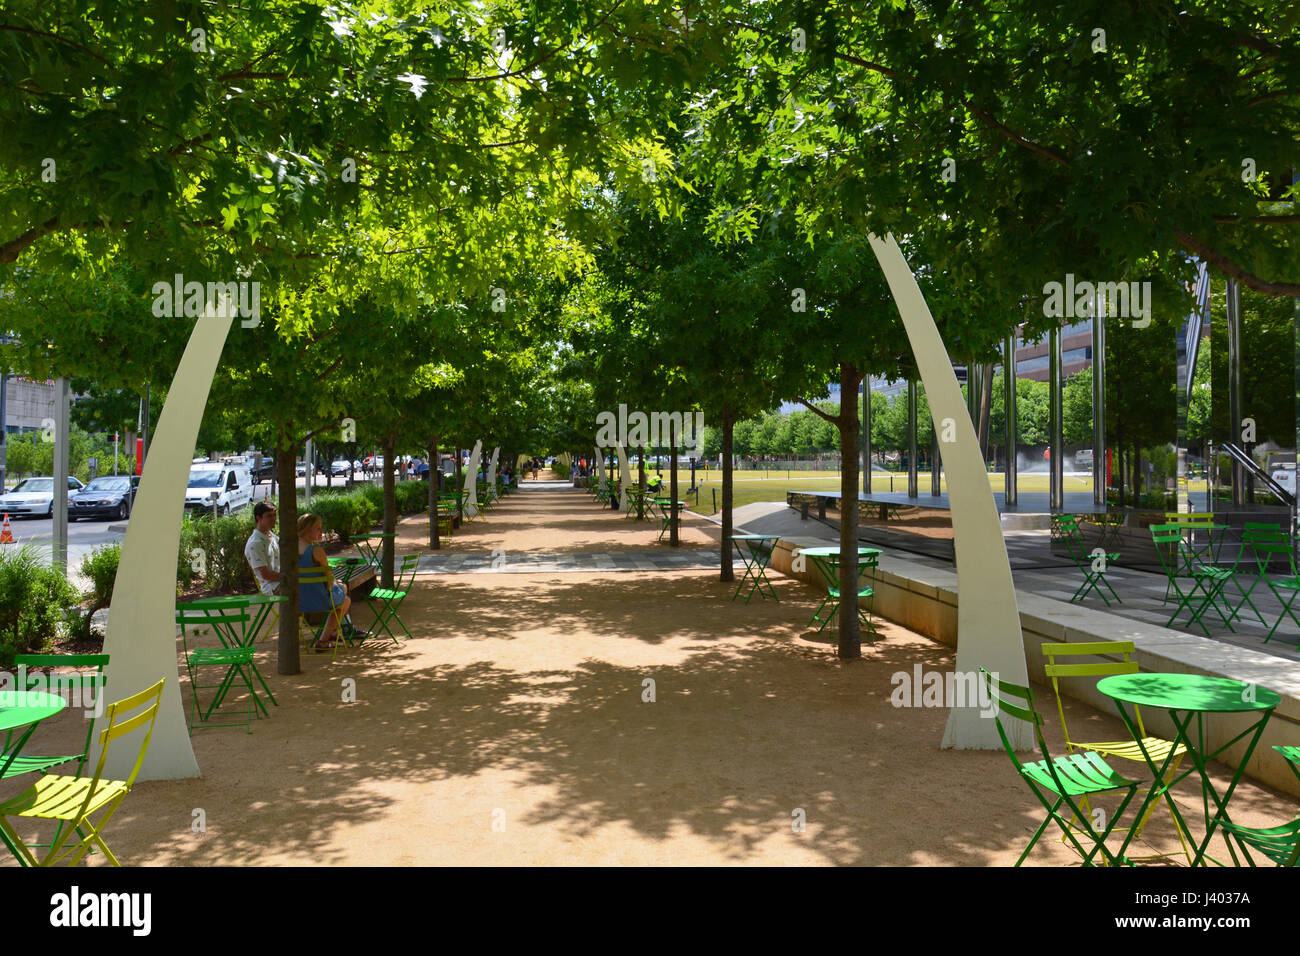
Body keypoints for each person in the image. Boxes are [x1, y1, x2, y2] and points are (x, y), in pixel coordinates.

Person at [297, 512, 364, 650]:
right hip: (319, 600)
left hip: (299, 601)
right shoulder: (316, 550)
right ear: (307, 530)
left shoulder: (289, 549)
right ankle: (325, 639)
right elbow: (328, 581)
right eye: (318, 528)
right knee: (345, 598)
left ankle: (332, 633)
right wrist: (339, 585)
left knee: (341, 594)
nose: (322, 531)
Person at [244, 502, 281, 595]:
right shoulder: (255, 543)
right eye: (269, 516)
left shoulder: (273, 537)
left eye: (274, 515)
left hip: (283, 582)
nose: (273, 519)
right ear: (258, 518)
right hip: (272, 587)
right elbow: (266, 574)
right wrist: (289, 577)